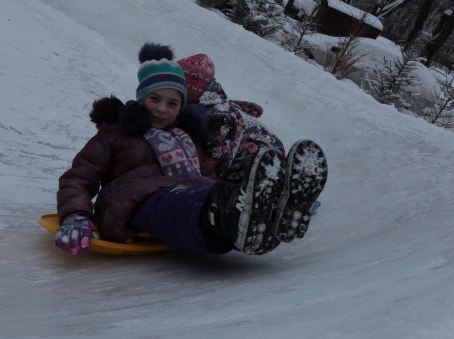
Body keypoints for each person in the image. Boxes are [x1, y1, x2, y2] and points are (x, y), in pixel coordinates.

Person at [55, 43, 290, 257]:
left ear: (182, 107)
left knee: (208, 192)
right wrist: (76, 214)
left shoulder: (186, 136)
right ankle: (232, 214)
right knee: (177, 202)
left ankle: (265, 212)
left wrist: (223, 185)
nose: (161, 109)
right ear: (141, 97)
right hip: (133, 202)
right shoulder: (117, 133)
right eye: (154, 99)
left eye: (172, 103)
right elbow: (78, 177)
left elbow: (206, 174)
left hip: (190, 194)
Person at [177, 52, 326, 242]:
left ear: (191, 86)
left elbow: (218, 163)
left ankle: (278, 194)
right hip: (247, 150)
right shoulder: (197, 106)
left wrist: (197, 191)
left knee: (233, 177)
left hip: (262, 155)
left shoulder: (221, 118)